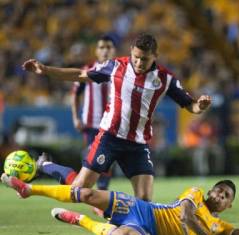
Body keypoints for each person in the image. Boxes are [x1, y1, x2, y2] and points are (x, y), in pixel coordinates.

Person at [22, 33, 212, 201]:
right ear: (131, 51)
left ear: (156, 56)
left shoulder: (165, 79)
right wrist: (46, 70)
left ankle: (121, 223)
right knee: (78, 191)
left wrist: (199, 106)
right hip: (109, 138)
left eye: (144, 59)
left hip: (137, 144)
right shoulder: (115, 66)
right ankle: (45, 165)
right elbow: (80, 74)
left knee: (144, 200)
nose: (138, 63)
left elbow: (191, 106)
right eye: (136, 57)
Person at [1, 174, 239, 235]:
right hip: (144, 210)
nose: (219, 195)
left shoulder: (221, 227)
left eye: (225, 195)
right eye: (218, 190)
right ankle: (31, 188)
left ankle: (78, 221)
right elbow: (184, 216)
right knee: (89, 192)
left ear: (230, 204)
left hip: (148, 232)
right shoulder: (194, 194)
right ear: (209, 191)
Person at [39, 35, 116, 191]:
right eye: (102, 47)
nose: (105, 51)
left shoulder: (120, 70)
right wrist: (75, 117)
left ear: (114, 50)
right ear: (96, 51)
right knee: (93, 159)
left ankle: (101, 190)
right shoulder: (87, 70)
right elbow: (75, 94)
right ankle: (95, 191)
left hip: (113, 125)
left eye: (109, 47)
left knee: (108, 160)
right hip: (92, 124)